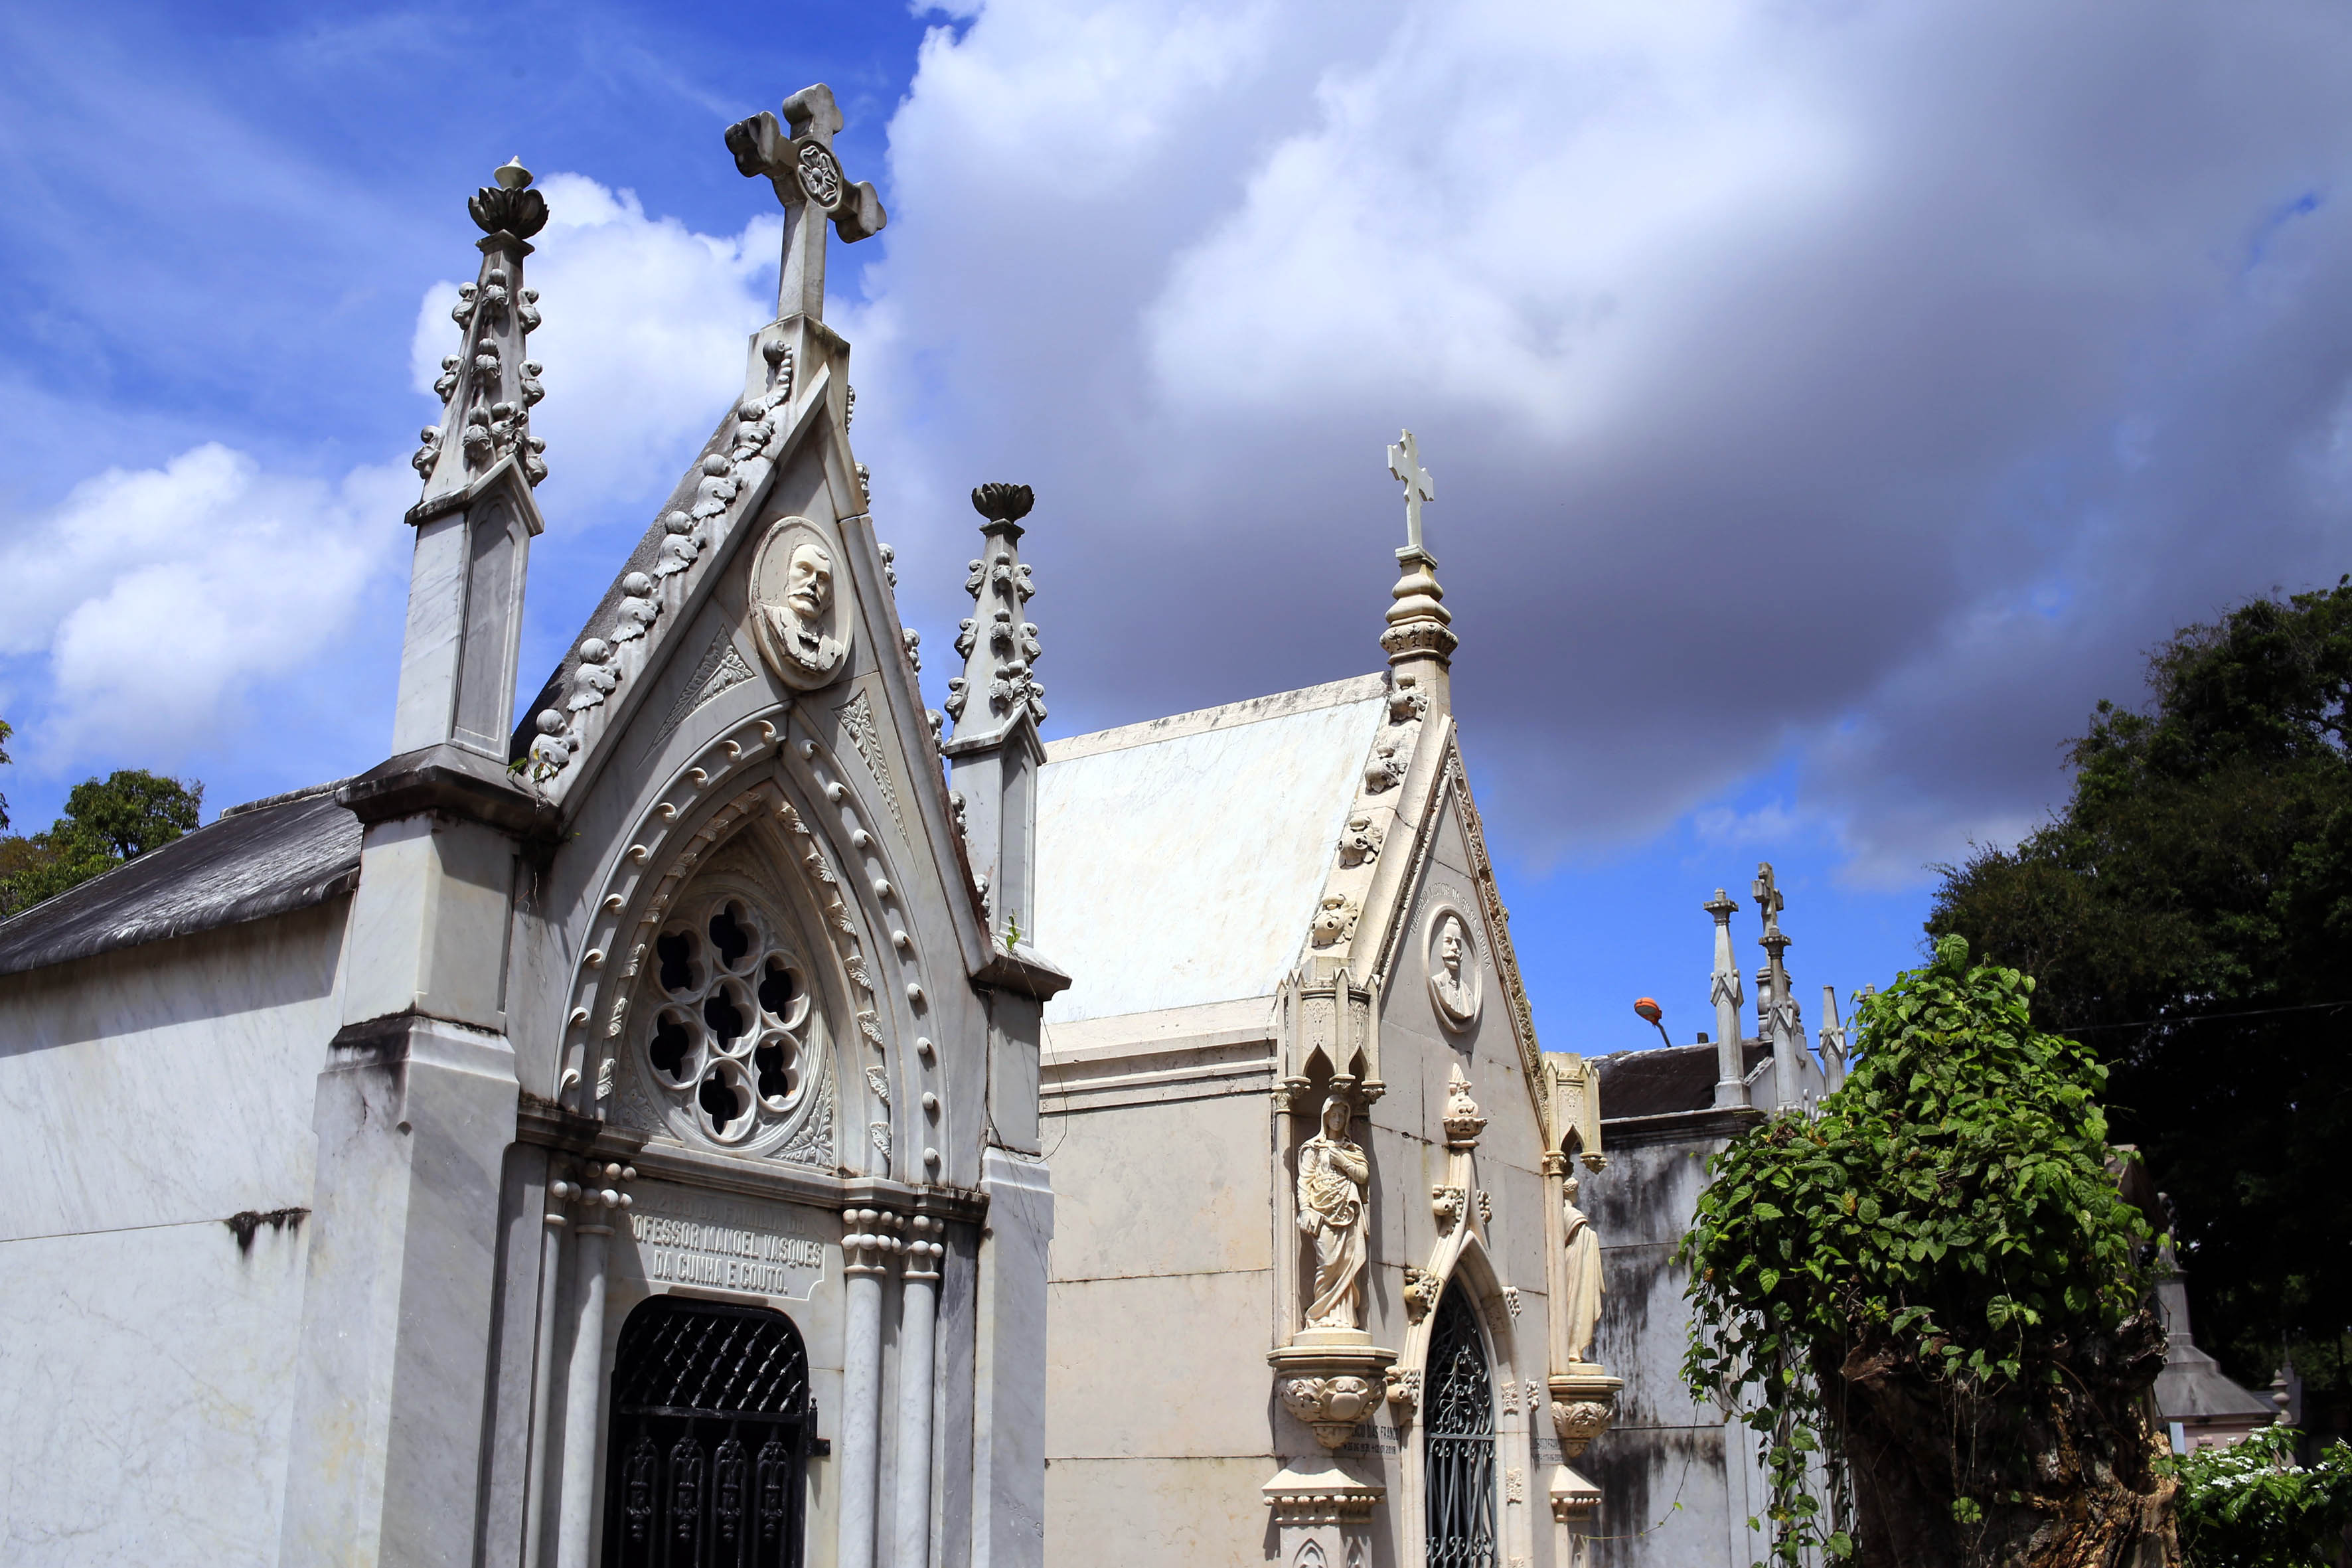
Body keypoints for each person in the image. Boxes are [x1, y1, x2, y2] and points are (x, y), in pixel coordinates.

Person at [1297, 1095, 1370, 1330]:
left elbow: (1363, 1175)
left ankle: (1344, 1316)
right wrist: (1306, 1209)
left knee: (1348, 1262)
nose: (1337, 1120)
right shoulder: (1313, 1149)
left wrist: (1343, 1161)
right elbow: (1304, 1182)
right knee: (1327, 1263)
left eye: (1341, 1116)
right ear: (1325, 1118)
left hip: (1348, 1212)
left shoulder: (1352, 1149)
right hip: (1323, 1213)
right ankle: (1320, 1313)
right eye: (1333, 1116)